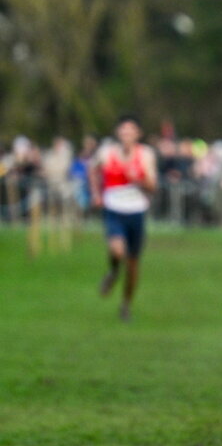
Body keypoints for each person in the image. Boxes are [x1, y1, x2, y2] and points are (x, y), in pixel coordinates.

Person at [89, 115, 159, 321]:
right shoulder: (106, 152)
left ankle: (126, 304)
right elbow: (92, 169)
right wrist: (96, 193)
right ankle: (112, 272)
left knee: (133, 264)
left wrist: (138, 179)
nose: (127, 135)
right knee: (117, 250)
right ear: (118, 132)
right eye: (123, 130)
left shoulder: (145, 155)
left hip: (136, 211)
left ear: (138, 134)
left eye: (131, 131)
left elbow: (153, 186)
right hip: (114, 209)